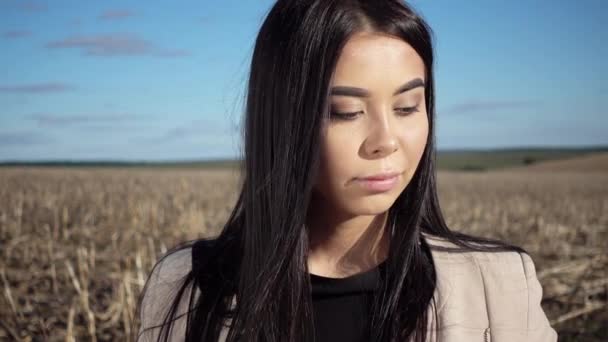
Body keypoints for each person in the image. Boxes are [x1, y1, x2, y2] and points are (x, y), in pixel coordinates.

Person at [137, 1, 558, 341]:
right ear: (282, 122)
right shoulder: (187, 288)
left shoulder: (499, 286)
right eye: (346, 112)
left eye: (407, 107)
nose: (385, 140)